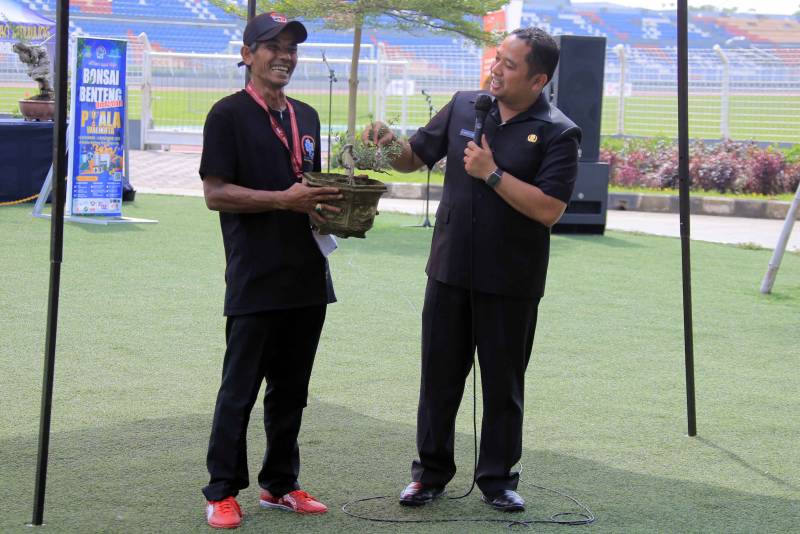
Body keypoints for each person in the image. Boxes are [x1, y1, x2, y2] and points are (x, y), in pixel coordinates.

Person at [363, 27, 581, 512]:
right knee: (438, 379)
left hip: (511, 281)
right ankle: (429, 474)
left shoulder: (559, 131)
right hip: (449, 270)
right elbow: (414, 157)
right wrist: (389, 144)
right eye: (497, 58)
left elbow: (549, 209)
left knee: (503, 386)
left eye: (509, 64)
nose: (496, 69)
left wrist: (492, 173)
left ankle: (498, 480)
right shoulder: (465, 105)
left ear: (539, 80)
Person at [199, 12, 343, 529]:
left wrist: (334, 209)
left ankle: (279, 484)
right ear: (247, 55)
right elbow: (216, 193)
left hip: (307, 275)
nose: (284, 56)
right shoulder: (227, 115)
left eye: (291, 48)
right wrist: (283, 200)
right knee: (239, 390)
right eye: (272, 46)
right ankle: (221, 490)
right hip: (256, 276)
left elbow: (308, 188)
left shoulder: (307, 115)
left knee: (292, 391)